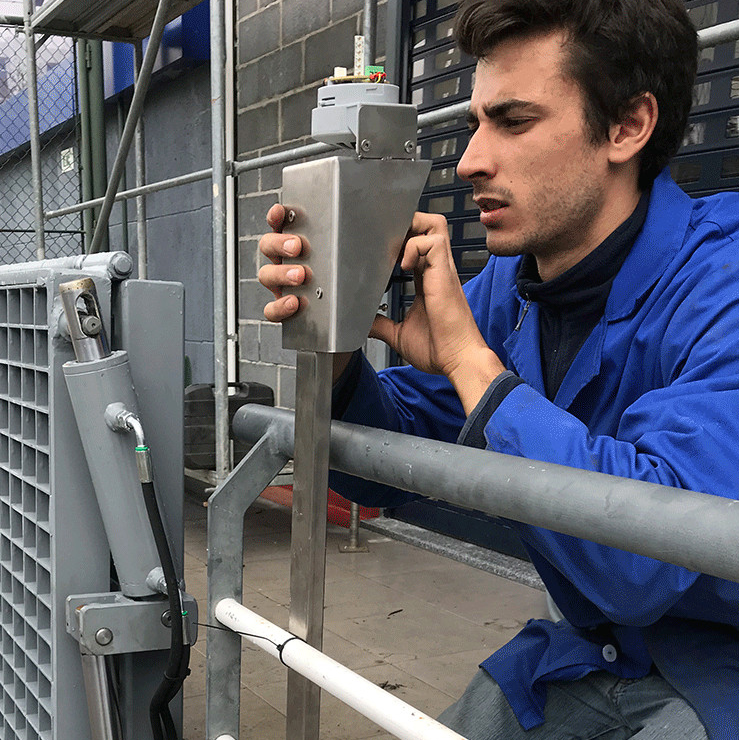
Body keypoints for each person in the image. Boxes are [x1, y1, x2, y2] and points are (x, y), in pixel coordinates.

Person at [258, 0, 739, 737]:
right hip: (594, 651)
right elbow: (380, 472)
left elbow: (643, 563)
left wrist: (470, 363)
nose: (469, 161)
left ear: (627, 126)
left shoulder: (722, 283)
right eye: (476, 123)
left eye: (512, 122)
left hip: (718, 667)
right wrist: (339, 335)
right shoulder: (510, 289)